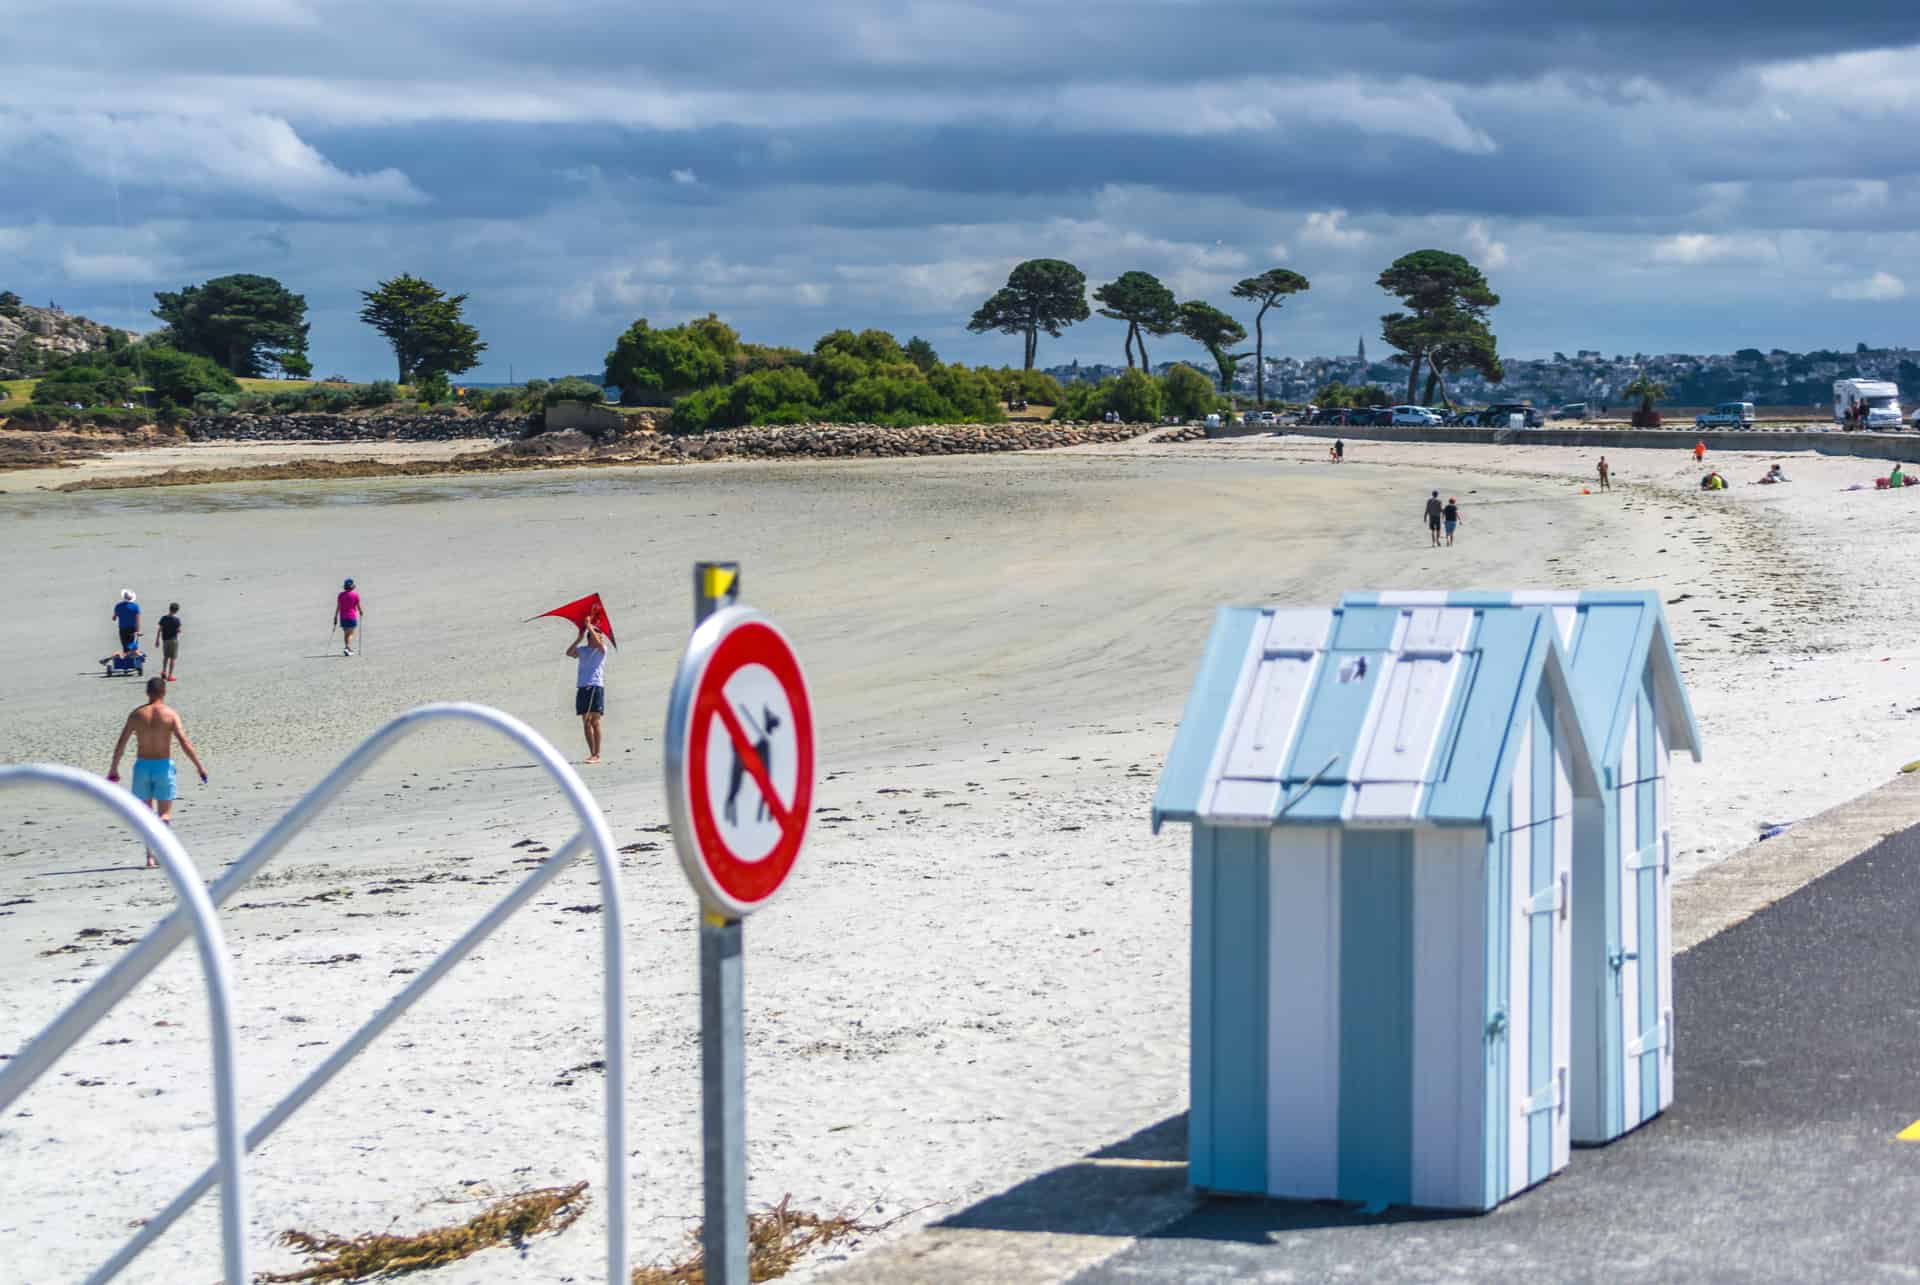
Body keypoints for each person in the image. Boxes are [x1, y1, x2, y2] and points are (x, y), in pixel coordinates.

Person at [106, 677, 208, 869]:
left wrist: (114, 768)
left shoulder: (136, 715)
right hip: (163, 766)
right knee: (164, 814)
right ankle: (163, 844)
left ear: (147, 692)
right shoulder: (170, 714)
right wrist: (199, 766)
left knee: (146, 816)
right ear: (164, 692)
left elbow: (121, 743)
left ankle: (150, 858)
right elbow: (184, 742)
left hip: (142, 766)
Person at [566, 620, 608, 765]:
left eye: (601, 636)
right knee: (585, 722)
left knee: (595, 721)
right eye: (598, 636)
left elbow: (598, 643)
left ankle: (596, 754)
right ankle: (592, 753)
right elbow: (569, 653)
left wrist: (589, 625)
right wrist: (579, 637)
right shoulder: (583, 650)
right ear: (589, 638)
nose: (601, 638)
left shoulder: (602, 649)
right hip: (582, 687)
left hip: (595, 686)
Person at [334, 578, 362, 657]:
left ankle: (348, 648)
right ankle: (347, 647)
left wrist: (335, 616)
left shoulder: (340, 595)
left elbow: (338, 606)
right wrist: (361, 612)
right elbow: (358, 606)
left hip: (343, 617)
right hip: (352, 617)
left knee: (346, 633)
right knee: (351, 633)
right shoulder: (355, 595)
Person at [157, 602, 183, 681]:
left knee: (165, 657)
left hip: (165, 640)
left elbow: (160, 629)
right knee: (172, 658)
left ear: (169, 609)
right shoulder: (177, 620)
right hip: (173, 640)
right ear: (177, 610)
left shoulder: (163, 618)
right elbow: (178, 630)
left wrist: (157, 640)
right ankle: (170, 675)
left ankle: (164, 671)